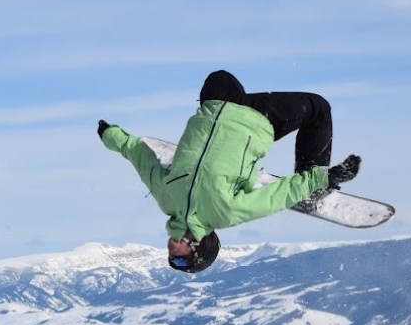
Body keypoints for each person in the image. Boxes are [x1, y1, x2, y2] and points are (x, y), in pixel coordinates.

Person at [98, 69, 361, 273]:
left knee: (218, 77)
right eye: (180, 259)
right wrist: (322, 177)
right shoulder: (225, 212)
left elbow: (141, 159)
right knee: (318, 108)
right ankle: (313, 187)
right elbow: (277, 196)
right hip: (257, 121)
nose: (172, 254)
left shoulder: (166, 200)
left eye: (172, 258)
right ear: (198, 249)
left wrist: (112, 136)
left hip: (215, 108)